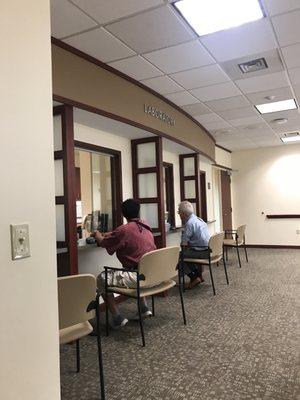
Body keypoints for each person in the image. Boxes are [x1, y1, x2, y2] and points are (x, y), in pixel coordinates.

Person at [95, 199, 156, 328]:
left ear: (123, 214)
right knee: (138, 265)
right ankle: (144, 308)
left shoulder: (124, 230)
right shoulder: (145, 226)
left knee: (101, 278)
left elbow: (102, 242)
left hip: (137, 277)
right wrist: (112, 233)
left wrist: (97, 234)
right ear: (138, 211)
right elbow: (125, 232)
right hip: (151, 274)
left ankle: (117, 317)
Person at [178, 201, 210, 289]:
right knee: (186, 253)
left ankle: (195, 278)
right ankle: (199, 276)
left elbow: (184, 243)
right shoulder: (199, 219)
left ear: (183, 213)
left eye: (179, 212)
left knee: (180, 256)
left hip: (201, 251)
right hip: (208, 250)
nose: (178, 215)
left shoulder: (189, 224)